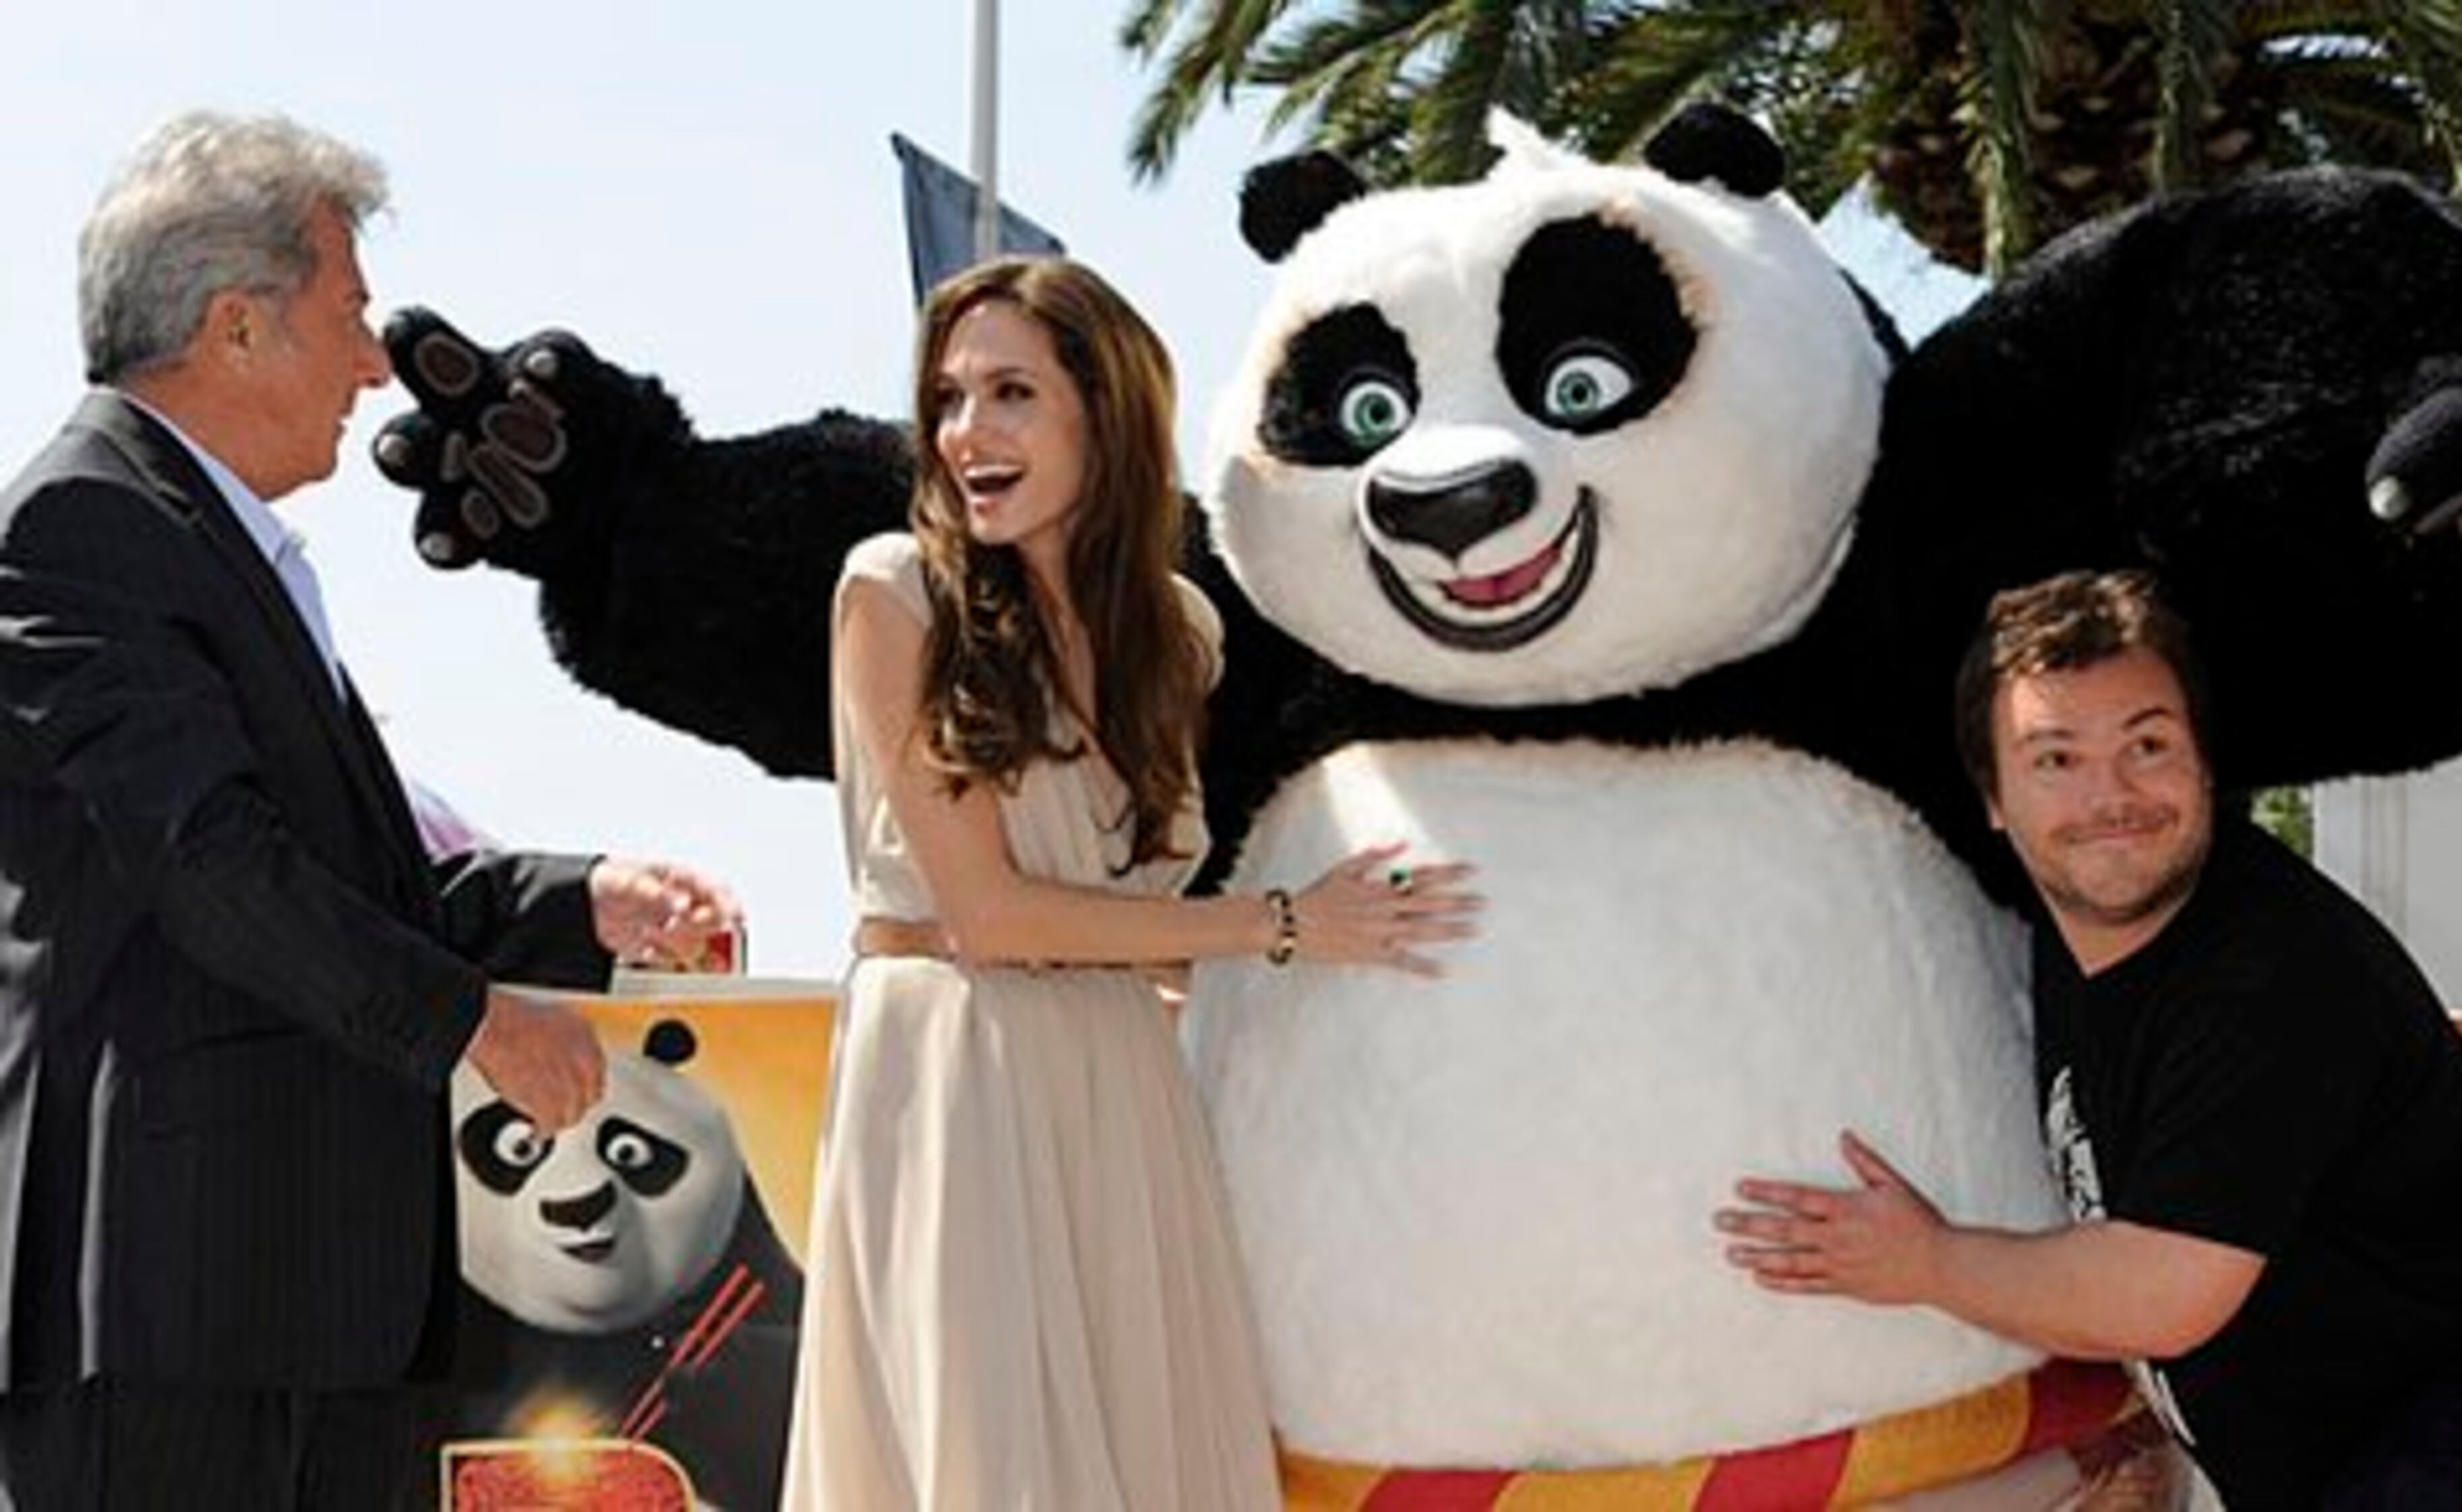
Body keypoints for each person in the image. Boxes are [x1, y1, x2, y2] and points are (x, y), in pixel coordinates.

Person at [0, 111, 740, 1512]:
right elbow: (216, 870)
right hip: (180, 1314)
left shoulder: (211, 541)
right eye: (347, 317)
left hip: (305, 1310)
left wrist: (578, 901)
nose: (368, 364)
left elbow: (348, 882)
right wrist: (474, 1020)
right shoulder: (80, 528)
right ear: (234, 327)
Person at [781, 254, 1482, 1511]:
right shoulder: (895, 592)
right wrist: (1285, 929)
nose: (964, 436)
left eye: (1009, 395)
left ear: (1103, 413)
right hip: (958, 1079)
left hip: (1120, 1083)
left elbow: (1145, 929)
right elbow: (991, 920)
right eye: (948, 399)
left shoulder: (1178, 633)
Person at [1712, 567, 2462, 1507]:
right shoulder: (2073, 919)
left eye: (2148, 745)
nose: (2111, 796)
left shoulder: (2266, 977)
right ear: (1995, 799)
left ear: (2205, 766)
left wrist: (1924, 1261)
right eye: (2056, 758)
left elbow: (2163, 1290)